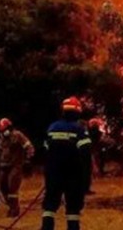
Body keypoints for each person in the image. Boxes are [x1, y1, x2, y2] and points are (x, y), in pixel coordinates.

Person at [40, 97, 92, 230]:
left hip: (53, 173)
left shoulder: (53, 127)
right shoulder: (79, 128)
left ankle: (46, 227)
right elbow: (86, 153)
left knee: (50, 204)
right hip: (73, 174)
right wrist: (86, 178)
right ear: (78, 111)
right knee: (73, 206)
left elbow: (45, 149)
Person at [0, 117, 35, 217]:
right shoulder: (2, 139)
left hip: (16, 165)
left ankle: (14, 209)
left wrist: (28, 159)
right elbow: (1, 152)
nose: (3, 132)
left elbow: (29, 147)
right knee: (3, 186)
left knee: (12, 187)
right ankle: (10, 205)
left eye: (4, 129)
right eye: (1, 130)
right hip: (4, 166)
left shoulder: (17, 135)